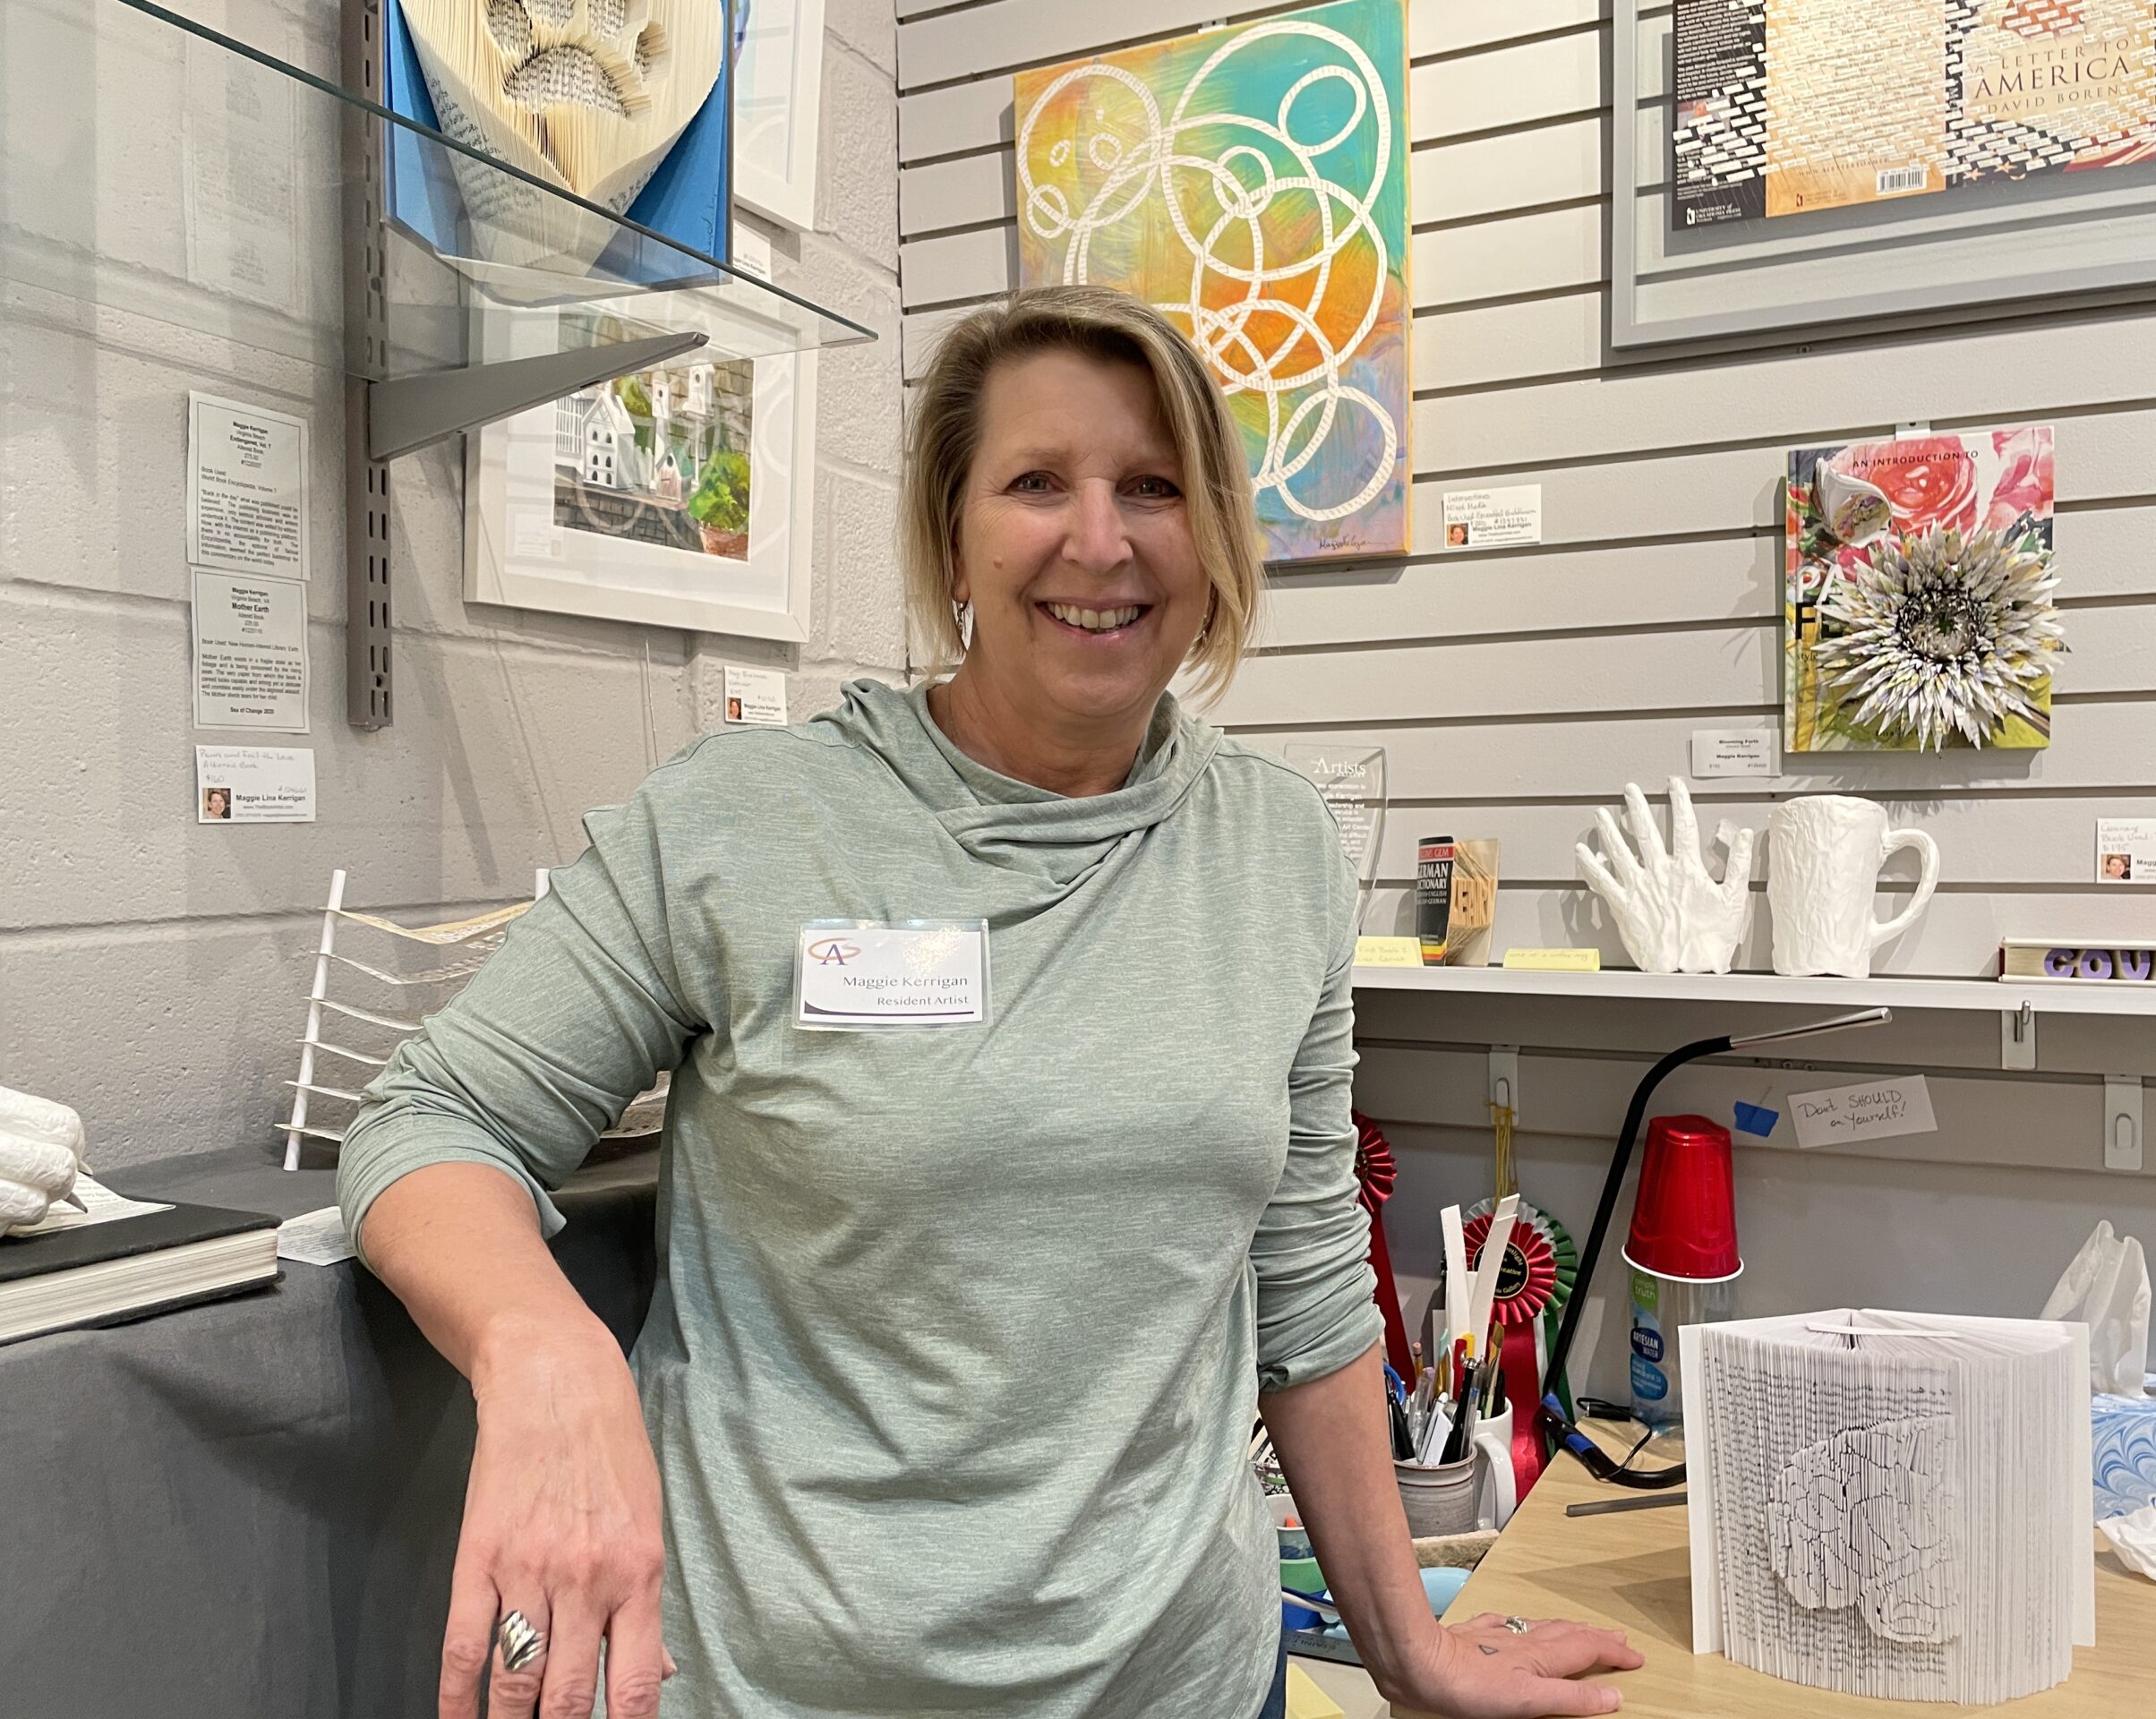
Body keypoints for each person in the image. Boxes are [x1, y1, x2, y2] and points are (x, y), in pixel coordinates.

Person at [339, 285, 1640, 1719]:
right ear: (952, 535)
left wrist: (1408, 1650)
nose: (1101, 540)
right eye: (1036, 483)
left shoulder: (1276, 848)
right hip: (786, 1690)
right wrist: (543, 1352)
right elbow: (431, 1120)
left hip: (1189, 1686)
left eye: (1153, 486)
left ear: (1213, 535)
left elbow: (1306, 1280)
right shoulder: (741, 824)